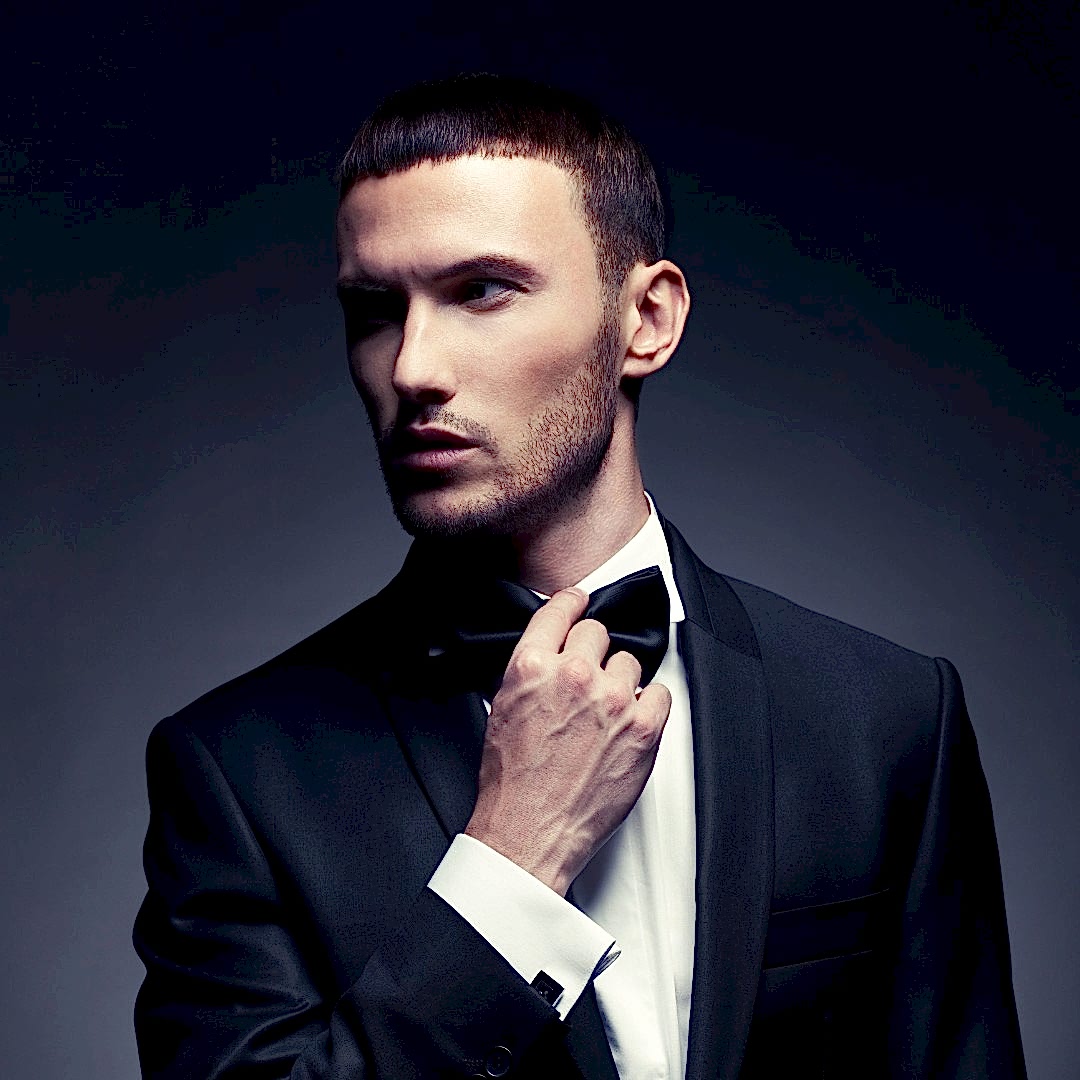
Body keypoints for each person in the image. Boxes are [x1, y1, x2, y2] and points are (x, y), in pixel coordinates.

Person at [133, 74, 1026, 1079]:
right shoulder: (237, 771)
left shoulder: (885, 718)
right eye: (375, 310)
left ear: (646, 319)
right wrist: (511, 862)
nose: (412, 368)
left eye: (481, 290)